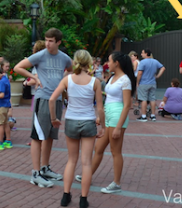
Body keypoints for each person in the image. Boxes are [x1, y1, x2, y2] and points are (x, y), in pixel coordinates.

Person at [14, 28, 73, 188]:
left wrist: (65, 83)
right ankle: (35, 173)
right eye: (46, 40)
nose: (47, 43)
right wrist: (34, 77)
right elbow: (18, 67)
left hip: (57, 100)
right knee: (37, 137)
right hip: (43, 100)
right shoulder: (40, 55)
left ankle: (45, 168)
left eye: (51, 41)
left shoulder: (64, 58)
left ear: (58, 42)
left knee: (49, 136)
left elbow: (72, 70)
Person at [75, 51, 136, 196]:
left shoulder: (125, 80)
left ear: (117, 63)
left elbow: (127, 105)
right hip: (109, 114)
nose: (107, 64)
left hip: (117, 116)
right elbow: (108, 99)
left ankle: (116, 183)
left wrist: (119, 127)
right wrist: (101, 118)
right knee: (99, 148)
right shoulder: (113, 77)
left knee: (115, 151)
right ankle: (87, 176)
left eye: (109, 61)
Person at [49, 50, 104, 208]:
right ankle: (83, 199)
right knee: (86, 163)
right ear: (89, 62)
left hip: (72, 120)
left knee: (71, 160)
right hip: (88, 121)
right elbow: (100, 108)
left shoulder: (68, 80)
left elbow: (52, 99)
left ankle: (66, 196)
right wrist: (104, 127)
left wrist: (54, 119)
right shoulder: (95, 82)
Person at [136, 49, 165, 122]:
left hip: (144, 83)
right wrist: (157, 76)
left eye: (142, 53)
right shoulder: (155, 61)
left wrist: (137, 82)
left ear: (146, 54)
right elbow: (163, 68)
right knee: (152, 99)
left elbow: (139, 73)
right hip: (152, 82)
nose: (141, 54)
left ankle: (143, 116)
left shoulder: (142, 62)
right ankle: (153, 115)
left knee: (143, 99)